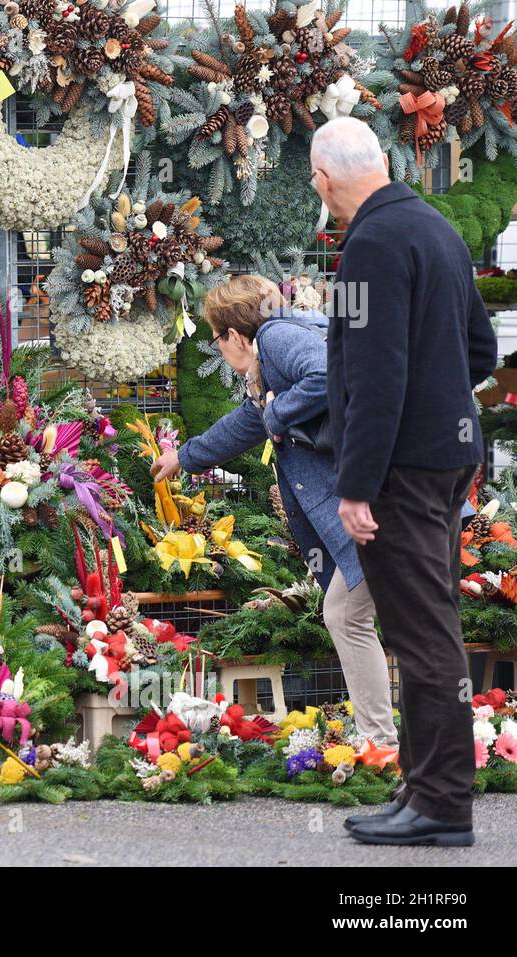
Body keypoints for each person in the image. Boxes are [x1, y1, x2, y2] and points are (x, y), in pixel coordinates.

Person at [310, 116, 497, 847]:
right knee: (429, 620)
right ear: (382, 161)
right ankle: (423, 788)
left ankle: (443, 803)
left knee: (423, 634)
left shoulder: (372, 245)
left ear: (325, 182)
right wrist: (442, 400)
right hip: (443, 459)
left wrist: (354, 485)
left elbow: (374, 374)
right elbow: (479, 345)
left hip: (402, 471)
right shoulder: (435, 228)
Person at [152, 275, 398, 759]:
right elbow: (249, 422)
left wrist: (277, 414)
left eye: (216, 338)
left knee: (347, 614)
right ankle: (411, 741)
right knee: (367, 615)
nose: (219, 349)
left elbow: (325, 378)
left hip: (385, 502)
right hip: (393, 498)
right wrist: (185, 457)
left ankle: (383, 744)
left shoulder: (277, 336)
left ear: (235, 335)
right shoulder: (279, 352)